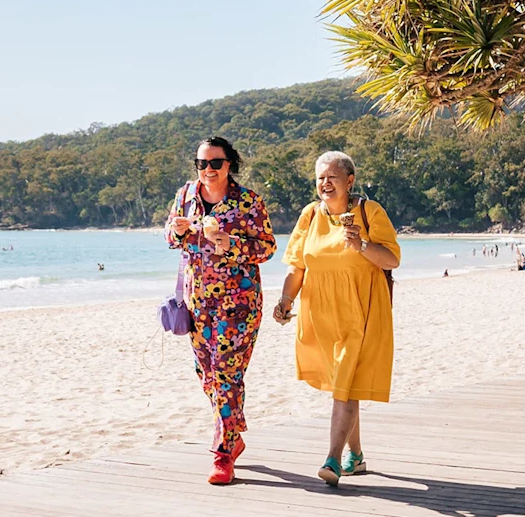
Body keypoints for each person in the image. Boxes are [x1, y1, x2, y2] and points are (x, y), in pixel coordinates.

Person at [273, 151, 399, 486]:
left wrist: (360, 245)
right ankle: (355, 455)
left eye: (332, 177)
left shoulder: (369, 212)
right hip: (321, 314)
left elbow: (391, 260)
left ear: (349, 180)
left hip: (362, 311)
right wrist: (285, 301)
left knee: (344, 385)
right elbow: (297, 265)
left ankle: (332, 458)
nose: (325, 183)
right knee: (347, 385)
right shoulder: (311, 215)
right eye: (320, 178)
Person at [165, 136, 275, 485]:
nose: (208, 170)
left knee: (227, 375)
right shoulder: (186, 196)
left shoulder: (247, 202)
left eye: (216, 163)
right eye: (202, 163)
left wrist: (231, 244)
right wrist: (178, 231)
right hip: (197, 304)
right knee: (207, 374)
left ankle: (223, 454)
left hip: (238, 305)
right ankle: (234, 431)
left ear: (230, 164)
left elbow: (268, 247)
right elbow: (170, 237)